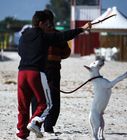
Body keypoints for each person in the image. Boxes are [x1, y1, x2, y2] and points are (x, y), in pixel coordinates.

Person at [16, 10, 91, 140]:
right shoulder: (44, 36)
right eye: (46, 24)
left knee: (23, 105)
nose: (48, 26)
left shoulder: (24, 35)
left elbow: (20, 52)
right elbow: (63, 37)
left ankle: (22, 134)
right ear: (41, 23)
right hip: (37, 73)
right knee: (47, 104)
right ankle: (35, 122)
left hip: (22, 73)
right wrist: (82, 29)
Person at [31, 9, 71, 133]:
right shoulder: (58, 35)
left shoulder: (36, 35)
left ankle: (36, 122)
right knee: (53, 98)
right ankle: (49, 125)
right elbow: (66, 53)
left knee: (37, 97)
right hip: (53, 70)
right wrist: (56, 56)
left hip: (37, 69)